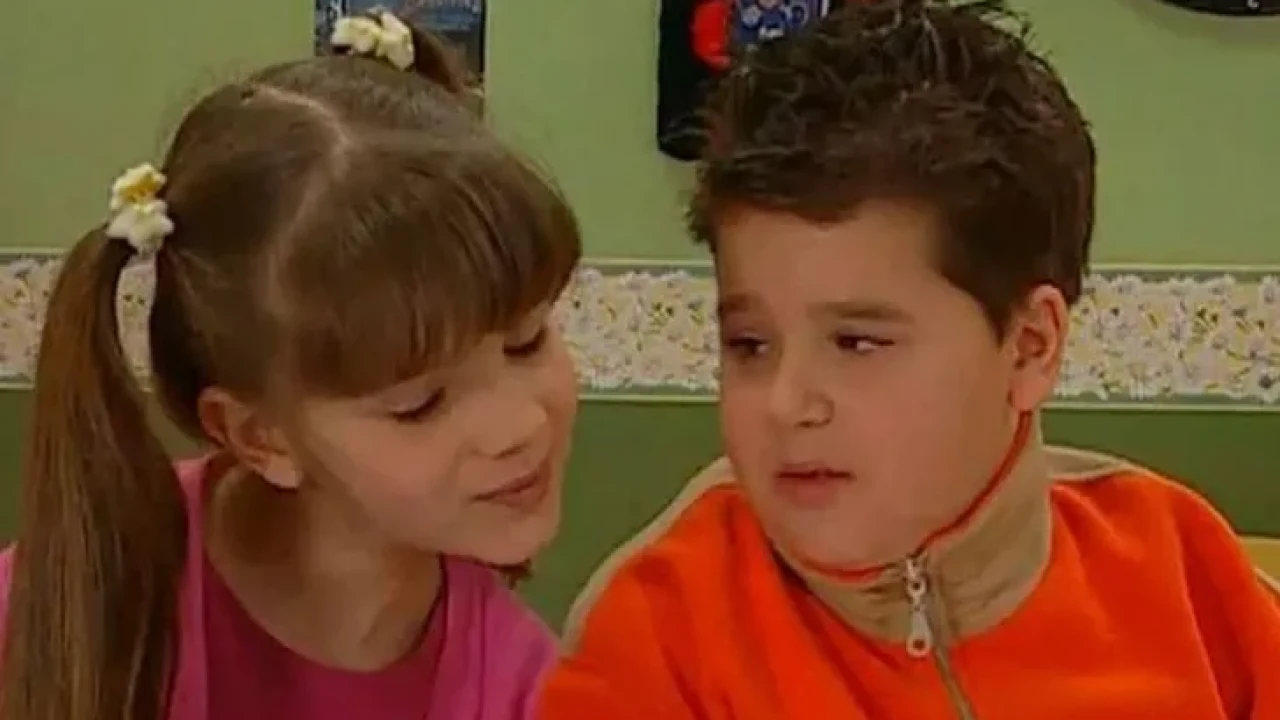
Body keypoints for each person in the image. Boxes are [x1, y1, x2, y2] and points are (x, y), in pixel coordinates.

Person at [538, 1, 1280, 718]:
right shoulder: (659, 636)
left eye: (857, 343)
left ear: (1031, 346)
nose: (787, 403)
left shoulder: (1193, 580)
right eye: (750, 346)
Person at [0, 11, 580, 720]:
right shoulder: (63, 618)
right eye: (420, 405)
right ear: (259, 436)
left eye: (528, 342)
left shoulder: (531, 690)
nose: (520, 426)